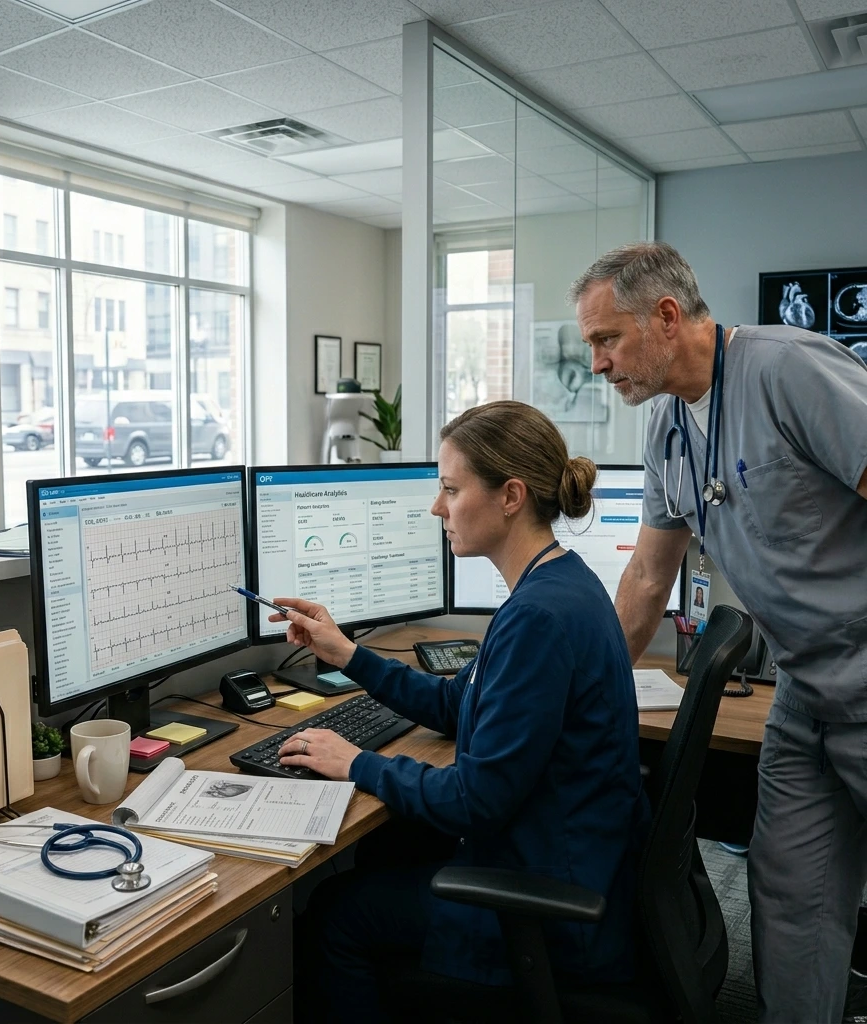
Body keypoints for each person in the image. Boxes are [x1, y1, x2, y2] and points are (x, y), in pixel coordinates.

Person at [270, 400, 649, 1023]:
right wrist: (350, 654)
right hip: (573, 863)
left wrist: (358, 763)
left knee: (338, 915)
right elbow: (457, 702)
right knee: (381, 861)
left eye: (450, 488)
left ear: (511, 496)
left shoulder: (538, 619)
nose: (436, 507)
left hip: (550, 907)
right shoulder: (560, 583)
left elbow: (476, 799)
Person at [569, 241, 867, 1024]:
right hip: (805, 694)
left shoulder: (787, 369)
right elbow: (644, 579)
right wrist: (576, 690)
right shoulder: (668, 428)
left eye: (607, 339)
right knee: (790, 891)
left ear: (667, 317)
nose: (597, 364)